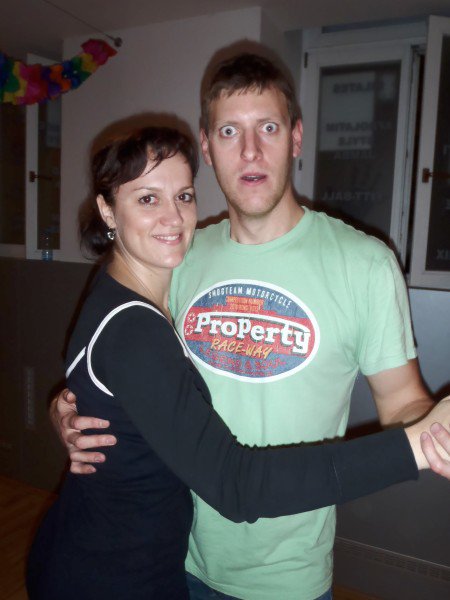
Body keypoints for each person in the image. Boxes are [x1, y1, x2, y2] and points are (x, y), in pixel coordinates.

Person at [51, 55, 450, 600]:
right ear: (207, 147)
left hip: (288, 577)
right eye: (229, 132)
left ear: (296, 138)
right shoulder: (177, 256)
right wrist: (68, 409)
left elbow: (402, 401)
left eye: (268, 128)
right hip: (176, 559)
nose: (250, 151)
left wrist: (435, 436)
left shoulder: (365, 264)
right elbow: (120, 364)